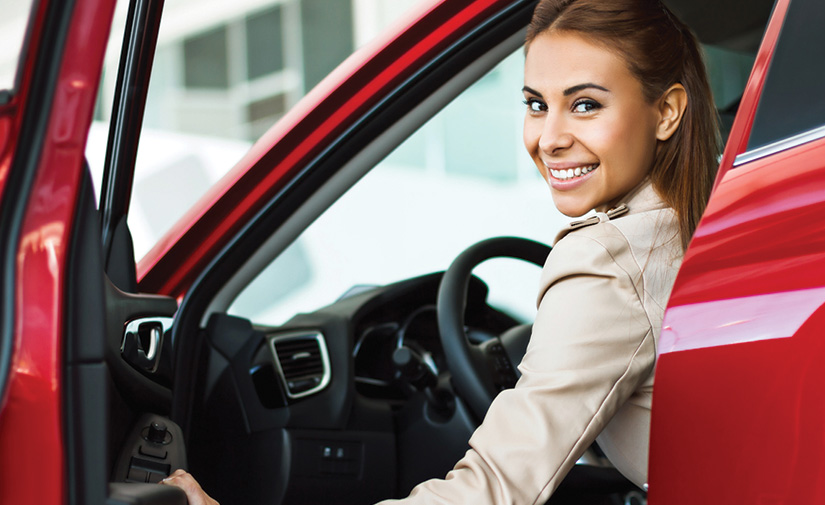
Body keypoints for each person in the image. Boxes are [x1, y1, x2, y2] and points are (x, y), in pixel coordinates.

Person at [162, 0, 719, 503]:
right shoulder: (696, 226)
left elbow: (495, 489)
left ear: (667, 112)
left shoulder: (609, 261)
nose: (548, 137)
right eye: (535, 103)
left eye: (585, 105)